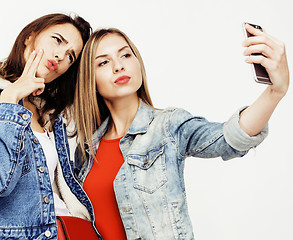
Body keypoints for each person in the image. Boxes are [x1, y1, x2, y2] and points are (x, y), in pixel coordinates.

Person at [73, 24, 289, 240]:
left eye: (126, 55)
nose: (118, 66)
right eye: (103, 62)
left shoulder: (168, 125)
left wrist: (274, 92)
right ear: (89, 81)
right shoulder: (85, 151)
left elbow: (229, 138)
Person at [0, 13, 102, 240]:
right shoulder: (5, 98)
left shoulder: (52, 115)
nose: (60, 56)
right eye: (57, 40)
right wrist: (10, 97)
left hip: (73, 231)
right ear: (29, 36)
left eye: (70, 56)